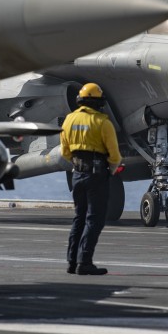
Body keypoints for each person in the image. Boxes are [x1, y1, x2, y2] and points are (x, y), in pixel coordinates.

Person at [60, 82, 122, 276]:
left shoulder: (69, 120)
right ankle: (84, 262)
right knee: (94, 219)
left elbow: (65, 152)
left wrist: (78, 164)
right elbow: (114, 156)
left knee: (79, 218)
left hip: (77, 173)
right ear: (99, 102)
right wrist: (110, 170)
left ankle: (71, 262)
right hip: (97, 175)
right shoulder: (103, 122)